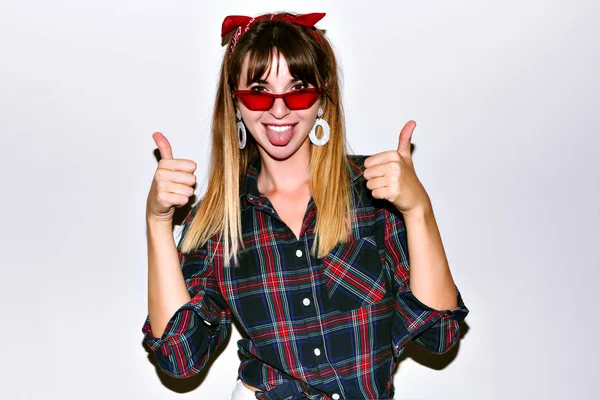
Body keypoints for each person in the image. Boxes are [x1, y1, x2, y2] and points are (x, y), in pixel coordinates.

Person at [142, 12, 468, 400]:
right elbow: (180, 358)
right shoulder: (218, 222)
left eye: (297, 89)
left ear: (322, 95)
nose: (279, 110)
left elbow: (439, 335)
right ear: (235, 100)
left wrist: (419, 211)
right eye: (259, 91)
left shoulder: (373, 193)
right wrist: (158, 222)